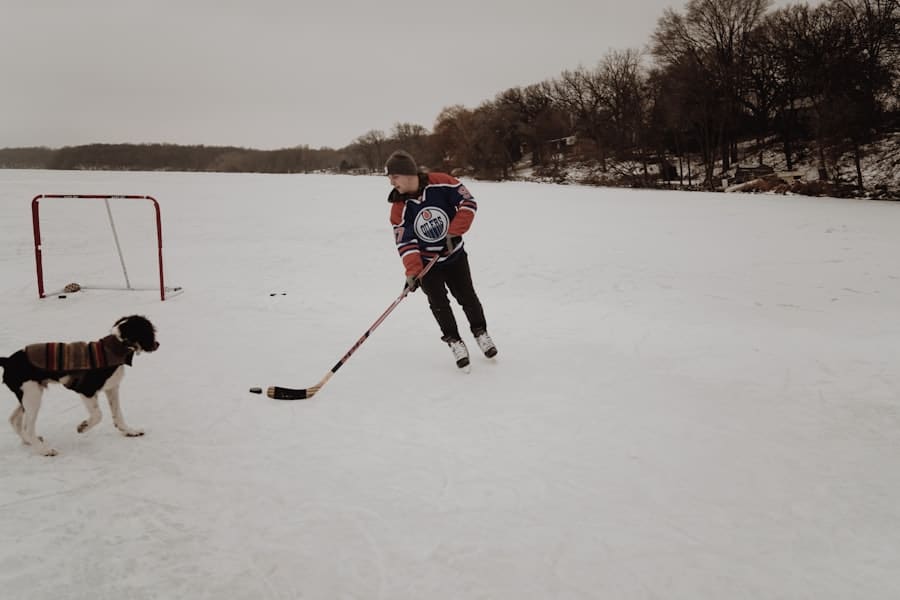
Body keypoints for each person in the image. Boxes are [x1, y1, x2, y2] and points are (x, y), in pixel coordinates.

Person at [385, 149, 497, 369]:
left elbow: (468, 203)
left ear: (408, 174)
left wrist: (454, 232)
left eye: (394, 176)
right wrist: (413, 271)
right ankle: (454, 340)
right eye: (389, 178)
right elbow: (405, 243)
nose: (391, 182)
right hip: (428, 265)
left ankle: (480, 332)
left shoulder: (442, 182)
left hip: (454, 256)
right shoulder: (399, 209)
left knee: (467, 297)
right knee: (438, 304)